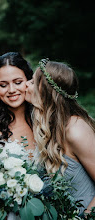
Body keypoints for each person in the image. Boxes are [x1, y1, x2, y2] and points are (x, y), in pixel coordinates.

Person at [25, 58, 95, 216]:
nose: (26, 85)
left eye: (33, 81)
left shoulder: (75, 130)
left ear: (45, 91)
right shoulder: (48, 125)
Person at [0, 52, 39, 220]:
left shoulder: (43, 119)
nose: (12, 90)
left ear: (29, 80)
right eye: (3, 85)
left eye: (18, 82)